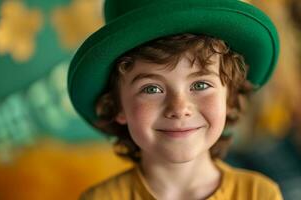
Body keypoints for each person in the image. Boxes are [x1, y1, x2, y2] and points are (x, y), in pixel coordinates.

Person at [67, 0, 282, 199]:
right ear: (117, 105)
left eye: (200, 85)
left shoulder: (259, 194)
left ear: (229, 98)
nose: (179, 108)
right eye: (151, 88)